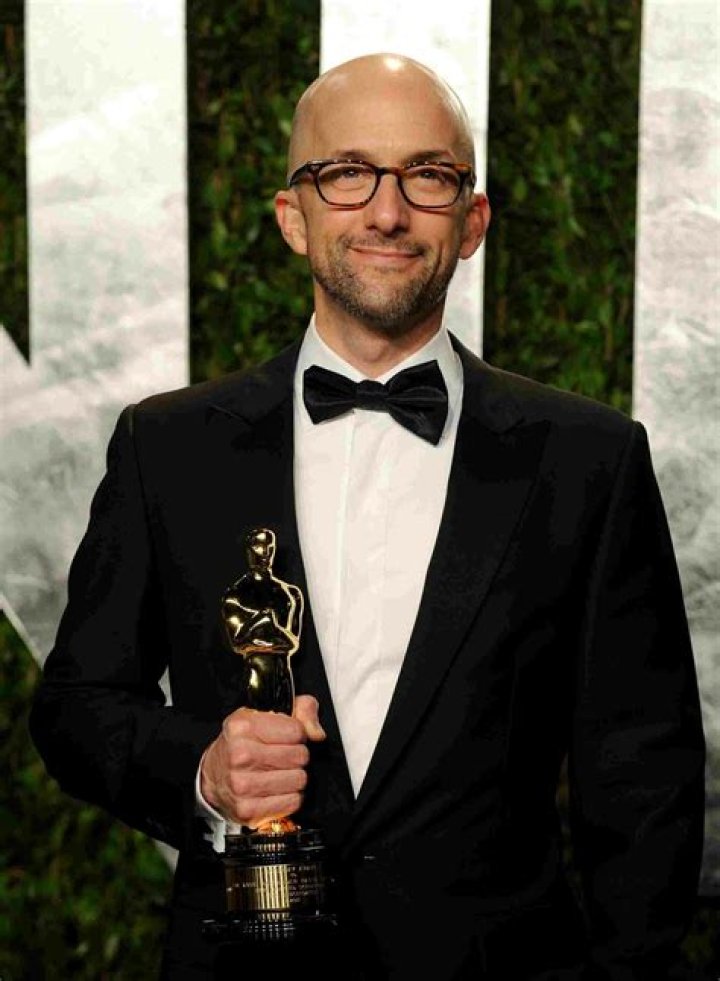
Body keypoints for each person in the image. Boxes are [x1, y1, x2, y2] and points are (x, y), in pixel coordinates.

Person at [29, 53, 705, 980]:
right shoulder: (169, 448)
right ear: (292, 217)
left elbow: (642, 776)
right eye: (347, 173)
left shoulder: (590, 459)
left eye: (427, 175)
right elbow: (76, 706)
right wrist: (205, 771)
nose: (387, 212)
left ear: (472, 222)